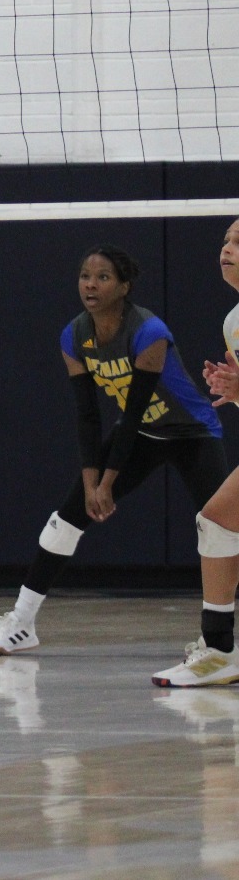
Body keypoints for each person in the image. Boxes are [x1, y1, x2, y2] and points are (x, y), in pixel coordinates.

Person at [0, 244, 227, 655]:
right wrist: (91, 485)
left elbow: (136, 407)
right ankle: (21, 622)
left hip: (191, 433)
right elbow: (88, 416)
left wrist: (107, 484)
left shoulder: (149, 332)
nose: (91, 284)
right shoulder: (74, 336)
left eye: (103, 277)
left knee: (222, 529)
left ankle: (219, 637)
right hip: (142, 433)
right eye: (85, 276)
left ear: (124, 286)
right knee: (68, 517)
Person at [156, 219, 239, 686]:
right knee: (218, 521)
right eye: (225, 240)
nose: (226, 249)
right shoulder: (234, 322)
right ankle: (219, 650)